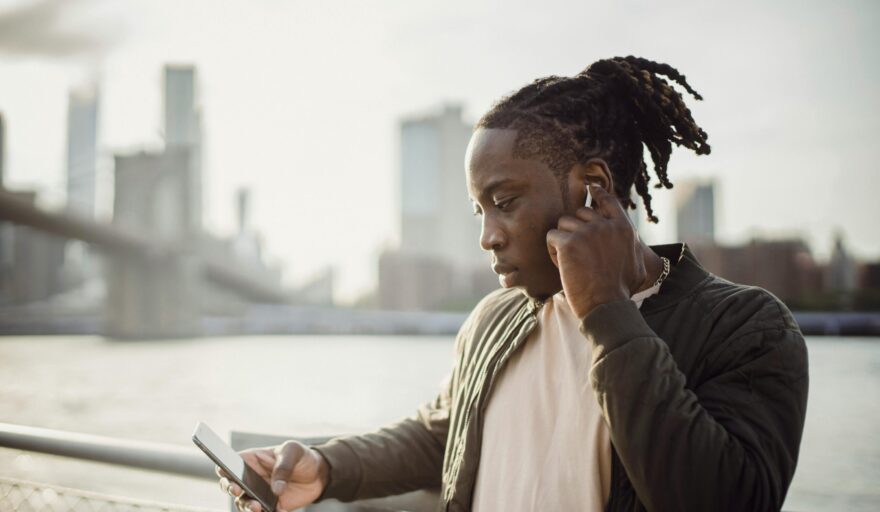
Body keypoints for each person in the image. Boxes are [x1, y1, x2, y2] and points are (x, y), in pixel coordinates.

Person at [218, 56, 809, 512]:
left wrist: (604, 307)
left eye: (504, 203)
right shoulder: (494, 320)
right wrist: (325, 467)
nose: (488, 236)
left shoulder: (747, 327)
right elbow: (442, 435)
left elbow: (727, 499)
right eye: (479, 211)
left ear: (591, 187)